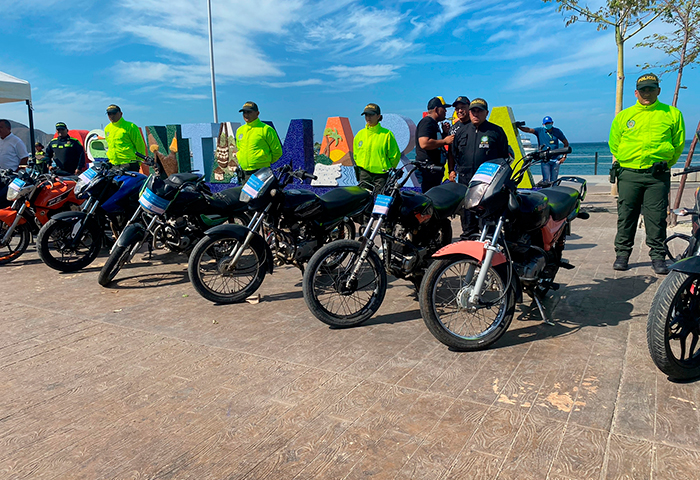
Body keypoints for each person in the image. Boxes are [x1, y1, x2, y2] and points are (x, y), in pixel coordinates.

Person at [609, 73, 685, 275]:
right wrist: (628, 161)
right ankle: (622, 255)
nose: (647, 93)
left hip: (656, 177)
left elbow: (678, 145)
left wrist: (665, 163)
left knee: (656, 217)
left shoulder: (672, 114)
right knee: (626, 216)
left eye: (651, 89)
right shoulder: (625, 116)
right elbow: (614, 144)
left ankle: (658, 257)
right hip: (629, 174)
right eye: (643, 90)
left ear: (658, 91)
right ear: (636, 93)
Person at [450, 98, 510, 238]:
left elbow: (503, 158)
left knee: (487, 223)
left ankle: (487, 249)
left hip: (487, 184)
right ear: (469, 113)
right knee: (468, 220)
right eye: (473, 111)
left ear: (486, 113)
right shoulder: (461, 131)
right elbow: (455, 154)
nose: (475, 114)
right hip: (466, 182)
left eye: (479, 111)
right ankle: (468, 249)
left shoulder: (496, 131)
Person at [353, 103, 401, 193]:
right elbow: (356, 154)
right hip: (364, 174)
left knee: (379, 202)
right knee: (363, 200)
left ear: (378, 116)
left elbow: (395, 155)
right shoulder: (360, 135)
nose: (368, 117)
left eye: (371, 115)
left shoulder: (387, 134)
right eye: (366, 115)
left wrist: (388, 168)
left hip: (381, 175)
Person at [235, 101, 283, 184]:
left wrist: (264, 161)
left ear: (257, 113)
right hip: (244, 173)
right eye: (244, 112)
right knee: (245, 197)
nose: (246, 115)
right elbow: (239, 148)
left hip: (261, 173)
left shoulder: (266, 129)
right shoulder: (240, 130)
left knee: (259, 197)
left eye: (249, 112)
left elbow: (277, 151)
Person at [415, 96, 454, 193]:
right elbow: (424, 143)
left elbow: (435, 143)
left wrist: (444, 134)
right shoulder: (427, 122)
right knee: (429, 198)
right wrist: (445, 141)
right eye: (444, 108)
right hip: (427, 171)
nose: (445, 111)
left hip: (434, 170)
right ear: (436, 109)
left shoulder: (434, 123)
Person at [517, 116, 569, 183]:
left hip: (556, 159)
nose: (547, 125)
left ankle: (554, 190)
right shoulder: (540, 130)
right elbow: (529, 130)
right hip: (545, 159)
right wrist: (519, 127)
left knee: (554, 180)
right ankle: (546, 191)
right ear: (543, 124)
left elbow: (566, 143)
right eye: (546, 123)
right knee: (546, 179)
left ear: (552, 123)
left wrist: (564, 157)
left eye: (549, 123)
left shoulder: (557, 131)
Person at [104, 104, 146, 172]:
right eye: (109, 114)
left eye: (114, 113)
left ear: (121, 114)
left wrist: (138, 163)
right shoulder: (107, 129)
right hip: (114, 164)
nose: (111, 116)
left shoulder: (130, 126)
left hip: (129, 163)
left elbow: (140, 146)